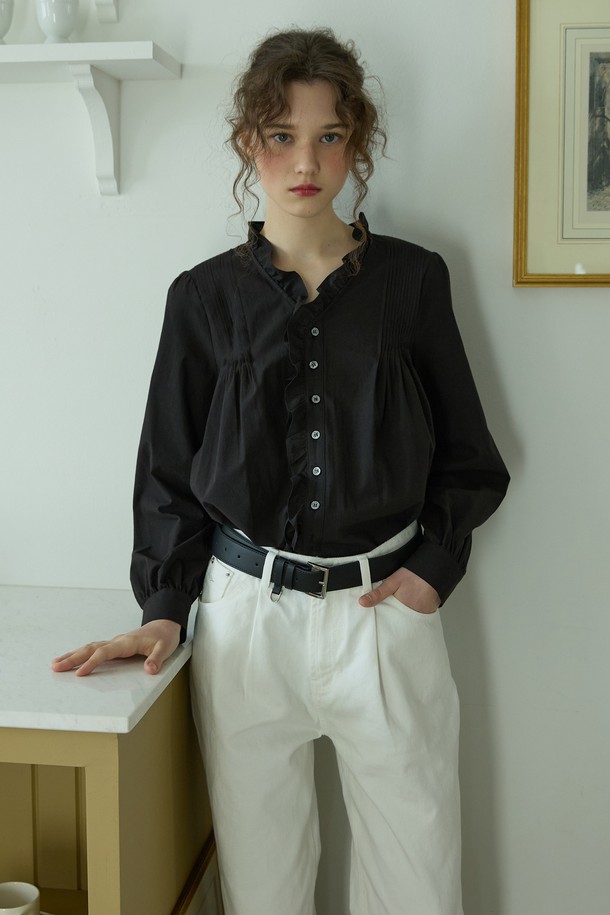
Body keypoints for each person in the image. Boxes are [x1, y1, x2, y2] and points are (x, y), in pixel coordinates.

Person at [52, 27, 509, 915]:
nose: (306, 161)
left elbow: (470, 457)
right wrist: (163, 607)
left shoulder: (414, 281)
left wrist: (432, 569)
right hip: (245, 623)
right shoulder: (202, 297)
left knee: (419, 885)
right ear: (246, 142)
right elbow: (168, 473)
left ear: (357, 141)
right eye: (281, 135)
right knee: (264, 889)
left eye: (329, 135)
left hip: (385, 615)